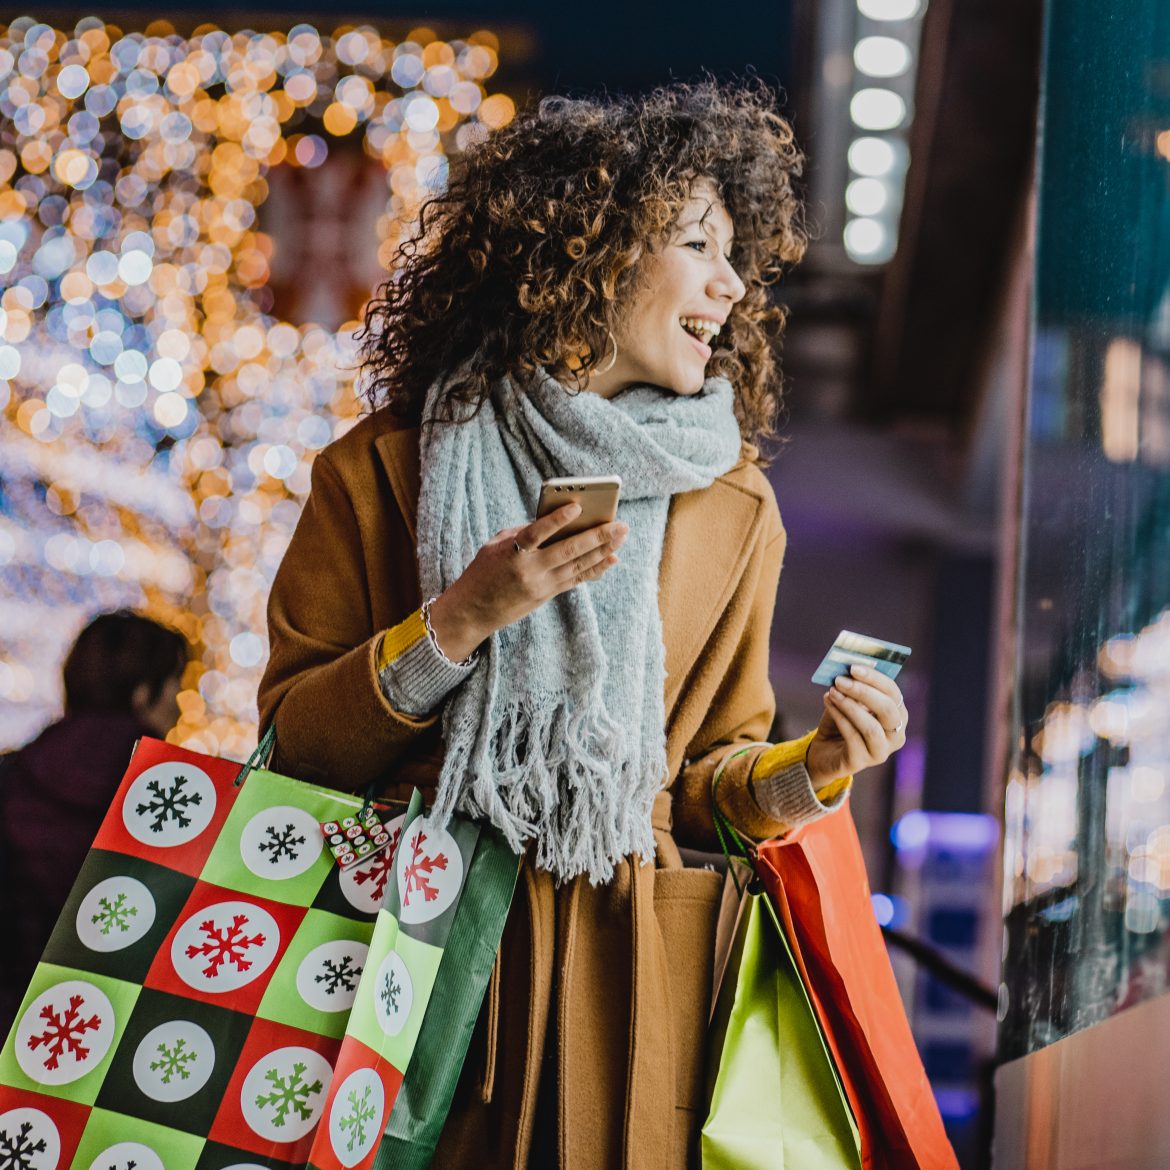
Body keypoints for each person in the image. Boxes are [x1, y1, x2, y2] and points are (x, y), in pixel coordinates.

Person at [258, 81, 909, 1170]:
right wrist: (458, 623)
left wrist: (819, 767)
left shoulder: (735, 506)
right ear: (589, 253)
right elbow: (295, 746)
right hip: (403, 972)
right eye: (699, 243)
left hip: (630, 990)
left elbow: (707, 782)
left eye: (735, 252)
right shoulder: (377, 472)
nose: (733, 282)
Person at [0, 610, 188, 1032]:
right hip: (115, 1045)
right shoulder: (175, 803)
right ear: (143, 693)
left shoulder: (11, 778)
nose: (179, 705)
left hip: (13, 1041)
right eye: (177, 683)